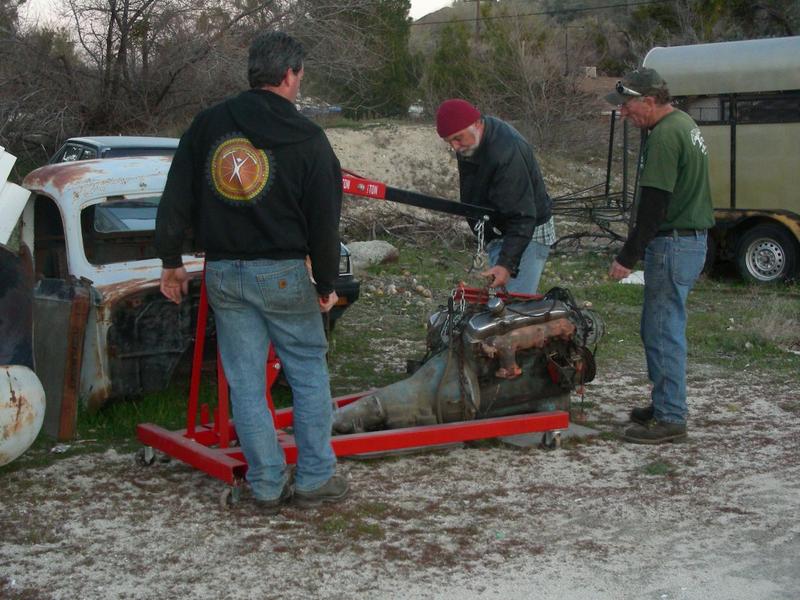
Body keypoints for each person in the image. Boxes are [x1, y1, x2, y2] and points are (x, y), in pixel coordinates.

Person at [155, 31, 348, 511]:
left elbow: (175, 196)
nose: (299, 83)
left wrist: (171, 262)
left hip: (223, 273)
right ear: (289, 75)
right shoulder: (309, 138)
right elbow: (325, 222)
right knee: (306, 372)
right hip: (282, 272)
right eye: (300, 75)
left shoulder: (207, 125)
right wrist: (327, 282)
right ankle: (315, 479)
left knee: (244, 381)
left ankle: (264, 484)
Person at [605, 68, 714, 444]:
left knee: (664, 330)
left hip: (673, 244)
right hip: (686, 241)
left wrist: (626, 256)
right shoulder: (683, 123)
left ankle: (671, 417)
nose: (624, 113)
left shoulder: (666, 136)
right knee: (656, 326)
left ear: (649, 101)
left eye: (628, 106)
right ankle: (665, 401)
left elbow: (653, 207)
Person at [435, 99, 555, 295]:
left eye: (457, 138)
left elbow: (523, 216)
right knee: (499, 303)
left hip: (527, 232)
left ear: (476, 124)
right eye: (449, 142)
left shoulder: (506, 152)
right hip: (501, 227)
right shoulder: (471, 142)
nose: (455, 147)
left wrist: (506, 264)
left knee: (515, 308)